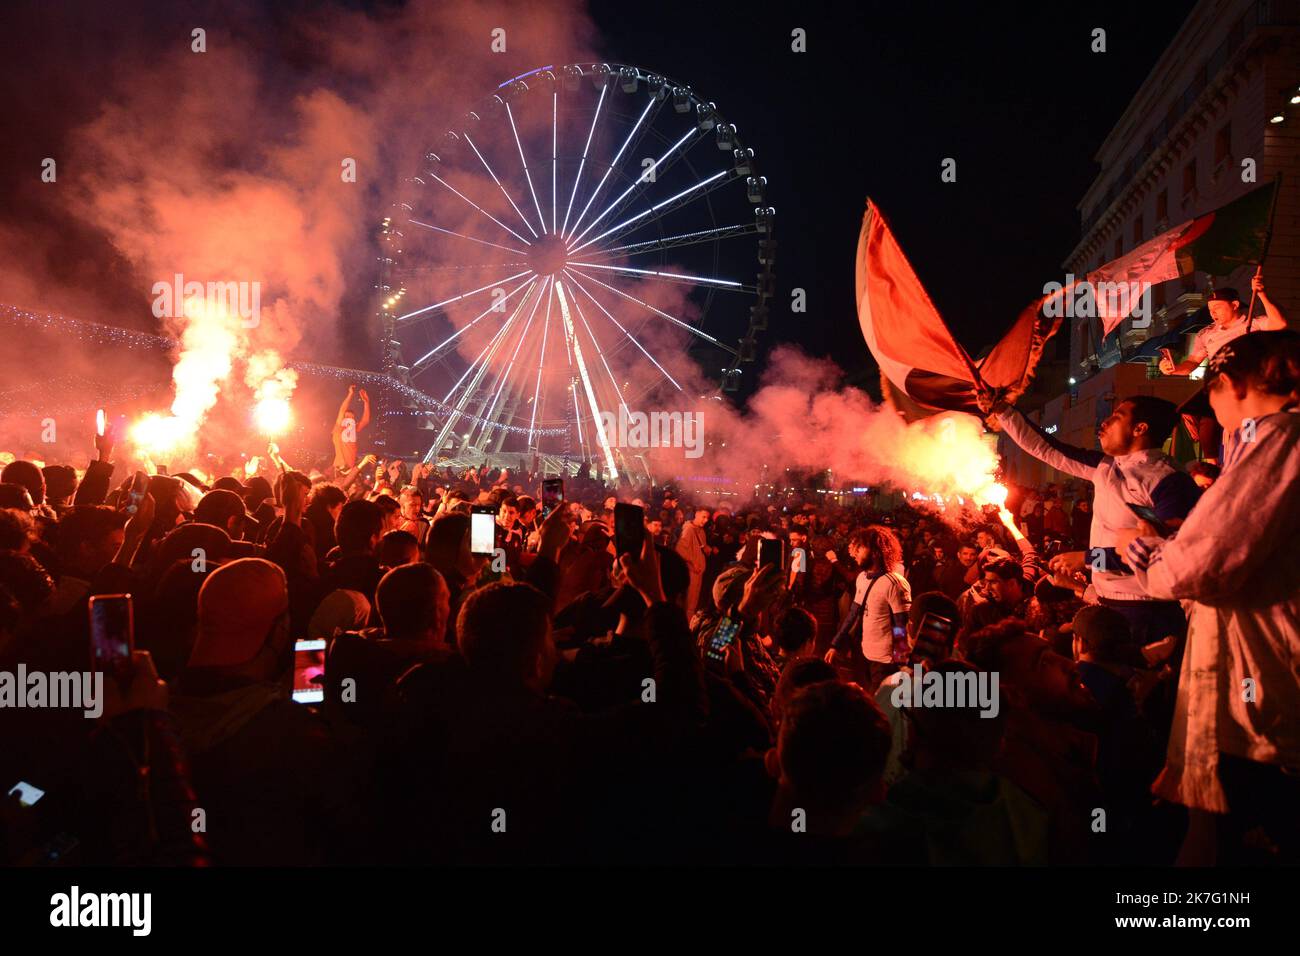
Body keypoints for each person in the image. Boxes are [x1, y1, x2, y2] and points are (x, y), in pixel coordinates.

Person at [1127, 330, 1300, 864]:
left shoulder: (1282, 437)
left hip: (1267, 694)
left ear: (1230, 383)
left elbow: (1210, 561)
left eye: (1212, 395)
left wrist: (1156, 565)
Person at [981, 391, 1199, 646]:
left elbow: (1165, 552)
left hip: (1147, 612)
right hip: (1106, 604)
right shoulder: (1106, 467)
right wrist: (1004, 412)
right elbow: (1047, 449)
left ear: (1140, 428)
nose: (1104, 423)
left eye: (1117, 416)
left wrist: (1086, 558)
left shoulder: (1168, 480)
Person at [1159, 274, 1288, 462]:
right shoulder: (1206, 333)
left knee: (1247, 428)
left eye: (1218, 307)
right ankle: (1211, 466)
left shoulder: (1252, 323)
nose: (1213, 313)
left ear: (1235, 305)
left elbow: (1280, 324)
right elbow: (1192, 363)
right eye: (1210, 309)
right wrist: (1173, 369)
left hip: (1247, 389)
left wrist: (1261, 294)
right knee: (1207, 423)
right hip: (1219, 388)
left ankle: (1249, 459)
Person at [825, 525, 911, 690]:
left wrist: (901, 662)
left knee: (880, 703)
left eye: (859, 548)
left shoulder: (895, 583)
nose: (854, 553)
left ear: (876, 551)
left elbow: (902, 625)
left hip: (885, 661)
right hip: (863, 652)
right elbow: (853, 613)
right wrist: (835, 644)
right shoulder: (862, 578)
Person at [676, 508, 712, 620]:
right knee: (690, 601)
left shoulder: (700, 531)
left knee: (693, 600)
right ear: (696, 514)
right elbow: (680, 549)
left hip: (698, 571)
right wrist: (693, 563)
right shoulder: (689, 530)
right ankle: (687, 625)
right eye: (703, 516)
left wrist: (707, 549)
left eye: (707, 518)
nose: (705, 520)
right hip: (692, 571)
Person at [330, 385, 370, 474]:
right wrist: (350, 394)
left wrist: (366, 402)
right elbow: (342, 410)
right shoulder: (338, 428)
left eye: (352, 417)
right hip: (339, 468)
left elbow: (365, 420)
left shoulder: (354, 429)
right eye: (347, 416)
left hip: (351, 468)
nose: (349, 418)